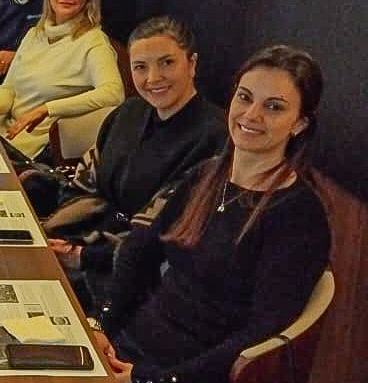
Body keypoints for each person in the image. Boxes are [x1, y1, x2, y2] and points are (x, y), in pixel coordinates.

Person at [0, 45, 331, 383]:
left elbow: (255, 339)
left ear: (300, 123)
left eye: (274, 107)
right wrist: (102, 326)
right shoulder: (209, 176)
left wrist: (146, 380)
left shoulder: (298, 217)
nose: (251, 115)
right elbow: (140, 252)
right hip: (134, 354)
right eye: (245, 98)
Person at [25, 16, 228, 307]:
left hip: (134, 274)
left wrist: (84, 256)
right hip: (86, 240)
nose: (153, 78)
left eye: (167, 63)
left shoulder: (214, 137)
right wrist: (64, 231)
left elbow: (166, 236)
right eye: (140, 67)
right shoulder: (128, 113)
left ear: (192, 64)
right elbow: (84, 182)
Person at [0, 0, 124, 160]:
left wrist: (46, 109)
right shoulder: (34, 34)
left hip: (36, 148)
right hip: (2, 131)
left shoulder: (94, 41)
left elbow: (114, 93)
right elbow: (10, 87)